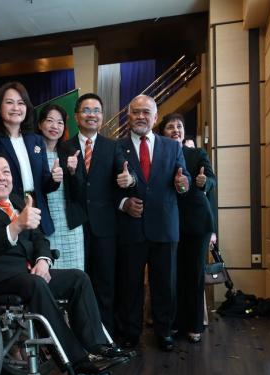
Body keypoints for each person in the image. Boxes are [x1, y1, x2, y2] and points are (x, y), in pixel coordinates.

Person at [0, 152, 132, 375]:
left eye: (5, 172)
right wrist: (15, 226)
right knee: (35, 284)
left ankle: (97, 346)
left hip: (31, 274)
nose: (1, 177)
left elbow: (39, 239)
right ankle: (76, 360)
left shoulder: (17, 201)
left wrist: (43, 261)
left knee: (78, 278)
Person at [114, 95, 191, 352]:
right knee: (130, 285)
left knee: (164, 285)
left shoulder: (172, 147)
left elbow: (183, 178)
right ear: (128, 117)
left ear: (155, 117)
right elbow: (107, 187)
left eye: (146, 112)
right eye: (135, 112)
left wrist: (184, 184)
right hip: (131, 228)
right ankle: (130, 333)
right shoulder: (117, 147)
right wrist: (124, 203)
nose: (140, 116)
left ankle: (164, 331)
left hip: (165, 227)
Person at [60, 93, 134, 332]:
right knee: (79, 281)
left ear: (102, 117)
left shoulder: (113, 146)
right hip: (74, 226)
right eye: (86, 110)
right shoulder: (63, 147)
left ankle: (105, 336)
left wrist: (128, 179)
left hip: (105, 227)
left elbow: (126, 173)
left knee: (105, 283)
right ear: (76, 116)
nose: (92, 115)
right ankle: (80, 334)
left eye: (96, 111)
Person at [159, 113, 216, 343]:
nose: (175, 130)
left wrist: (204, 183)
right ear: (162, 133)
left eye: (179, 126)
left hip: (196, 222)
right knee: (170, 276)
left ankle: (194, 325)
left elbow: (212, 180)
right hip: (167, 222)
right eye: (170, 127)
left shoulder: (197, 154)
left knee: (193, 275)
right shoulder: (158, 156)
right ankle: (172, 324)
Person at [0, 81, 61, 236]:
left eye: (21, 103)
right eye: (9, 102)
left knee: (41, 256)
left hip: (37, 214)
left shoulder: (36, 140)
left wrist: (55, 178)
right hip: (6, 215)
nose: (16, 108)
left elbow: (44, 184)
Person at [37, 104, 84, 270]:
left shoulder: (71, 152)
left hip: (69, 222)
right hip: (43, 221)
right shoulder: (33, 152)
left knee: (75, 273)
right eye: (49, 121)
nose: (55, 126)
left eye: (60, 122)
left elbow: (80, 192)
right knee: (50, 274)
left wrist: (73, 172)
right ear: (40, 124)